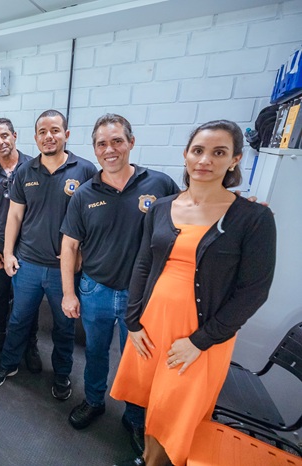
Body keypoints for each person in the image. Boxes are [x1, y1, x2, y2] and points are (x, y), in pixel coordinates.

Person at [110, 120, 276, 466]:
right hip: (153, 324)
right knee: (155, 399)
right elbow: (143, 264)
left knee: (178, 406)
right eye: (198, 151)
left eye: (219, 152)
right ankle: (148, 458)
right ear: (186, 155)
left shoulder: (253, 218)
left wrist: (200, 341)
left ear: (235, 160)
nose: (205, 160)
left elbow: (253, 292)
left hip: (201, 333)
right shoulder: (161, 207)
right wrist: (134, 321)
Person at [59, 114, 180, 454]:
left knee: (138, 361)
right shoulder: (84, 194)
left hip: (141, 297)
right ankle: (94, 400)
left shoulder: (160, 185)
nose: (109, 149)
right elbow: (69, 246)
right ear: (94, 148)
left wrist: (236, 208)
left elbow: (194, 212)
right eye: (102, 144)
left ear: (131, 142)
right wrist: (68, 293)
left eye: (117, 141)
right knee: (95, 352)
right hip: (95, 289)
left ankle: (135, 417)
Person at [0, 110, 97, 399]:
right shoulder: (25, 171)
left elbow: (94, 220)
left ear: (66, 135)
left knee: (64, 326)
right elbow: (14, 217)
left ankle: (61, 374)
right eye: (43, 132)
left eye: (55, 130)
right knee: (19, 319)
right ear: (35, 138)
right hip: (28, 264)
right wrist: (8, 252)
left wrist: (83, 254)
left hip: (64, 269)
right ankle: (8, 364)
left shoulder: (85, 170)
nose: (49, 136)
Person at [0, 118, 41, 368]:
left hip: (29, 247)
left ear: (14, 135)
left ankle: (30, 343)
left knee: (29, 300)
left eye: (4, 136)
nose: (0, 142)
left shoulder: (34, 167)